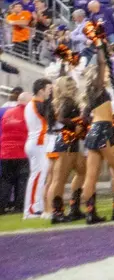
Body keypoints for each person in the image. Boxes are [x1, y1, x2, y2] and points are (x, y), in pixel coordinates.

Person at [77, 33, 114, 223]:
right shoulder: (99, 86)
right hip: (104, 130)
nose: (107, 73)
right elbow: (102, 64)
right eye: (104, 73)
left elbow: (85, 116)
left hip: (93, 132)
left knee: (90, 175)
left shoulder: (90, 93)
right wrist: (100, 45)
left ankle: (90, 213)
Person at [46, 75, 85, 223]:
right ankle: (56, 212)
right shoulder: (67, 102)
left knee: (82, 171)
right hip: (65, 142)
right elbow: (61, 119)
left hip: (67, 142)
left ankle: (73, 207)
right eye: (71, 85)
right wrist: (76, 124)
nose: (74, 87)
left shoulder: (62, 101)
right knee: (59, 179)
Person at [23, 78, 51, 218]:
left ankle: (34, 207)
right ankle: (32, 209)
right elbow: (50, 117)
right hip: (38, 142)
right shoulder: (37, 104)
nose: (50, 92)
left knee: (37, 175)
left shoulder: (32, 104)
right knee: (38, 175)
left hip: (35, 141)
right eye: (48, 89)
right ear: (41, 90)